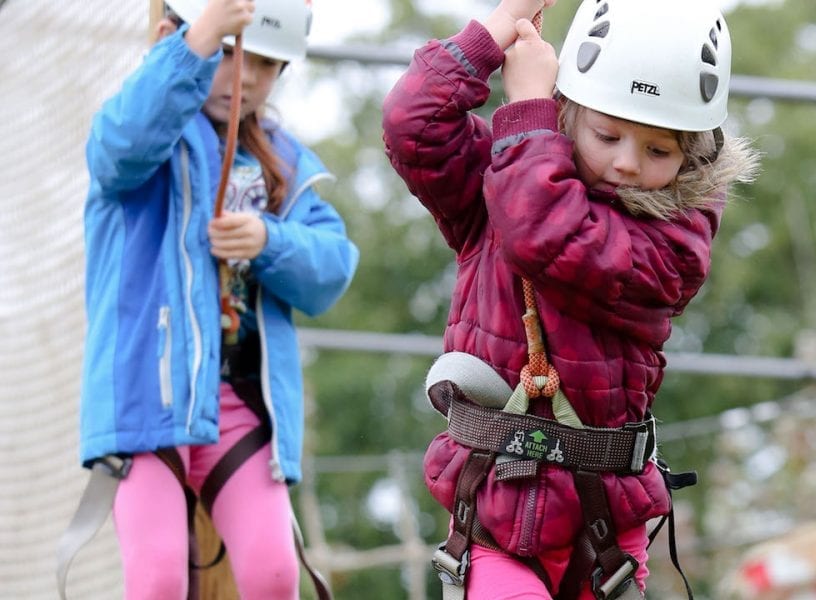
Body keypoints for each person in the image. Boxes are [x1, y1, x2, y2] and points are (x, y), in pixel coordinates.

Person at [382, 0, 759, 598]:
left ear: (692, 156)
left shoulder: (675, 239)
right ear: (569, 113)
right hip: (494, 516)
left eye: (659, 151)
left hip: (602, 530)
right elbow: (414, 126)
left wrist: (526, 113)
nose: (627, 164)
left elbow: (548, 234)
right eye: (608, 134)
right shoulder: (501, 176)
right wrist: (494, 30)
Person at [77, 0, 358, 597]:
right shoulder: (143, 145)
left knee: (274, 574)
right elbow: (118, 147)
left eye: (266, 63)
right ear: (171, 40)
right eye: (228, 54)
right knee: (155, 580)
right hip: (147, 403)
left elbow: (332, 267)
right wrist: (195, 43)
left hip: (241, 406)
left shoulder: (284, 164)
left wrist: (269, 240)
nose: (247, 77)